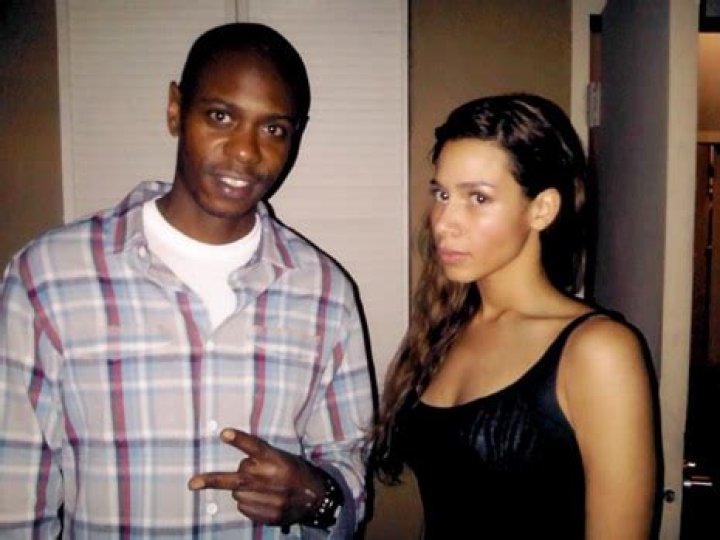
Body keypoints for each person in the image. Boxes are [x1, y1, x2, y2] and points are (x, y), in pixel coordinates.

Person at [0, 23, 373, 539]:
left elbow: (348, 459)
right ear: (176, 110)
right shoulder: (46, 279)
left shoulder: (327, 293)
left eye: (273, 129)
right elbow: (13, 495)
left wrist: (317, 494)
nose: (245, 152)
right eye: (220, 116)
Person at [371, 94, 657, 539]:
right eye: (442, 194)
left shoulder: (598, 350)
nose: (444, 222)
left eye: (478, 198)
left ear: (541, 209)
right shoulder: (446, 327)